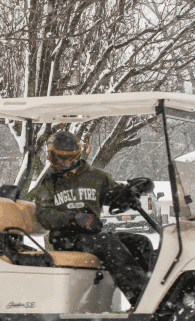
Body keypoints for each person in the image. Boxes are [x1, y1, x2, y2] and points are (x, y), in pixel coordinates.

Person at [33, 130, 149, 307]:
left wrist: (131, 192)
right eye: (58, 159)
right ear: (50, 156)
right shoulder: (48, 184)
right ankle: (140, 298)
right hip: (66, 237)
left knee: (140, 241)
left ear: (77, 156)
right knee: (107, 242)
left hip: (93, 234)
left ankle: (155, 292)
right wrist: (73, 217)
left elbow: (114, 194)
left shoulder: (96, 176)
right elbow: (44, 215)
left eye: (69, 158)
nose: (63, 163)